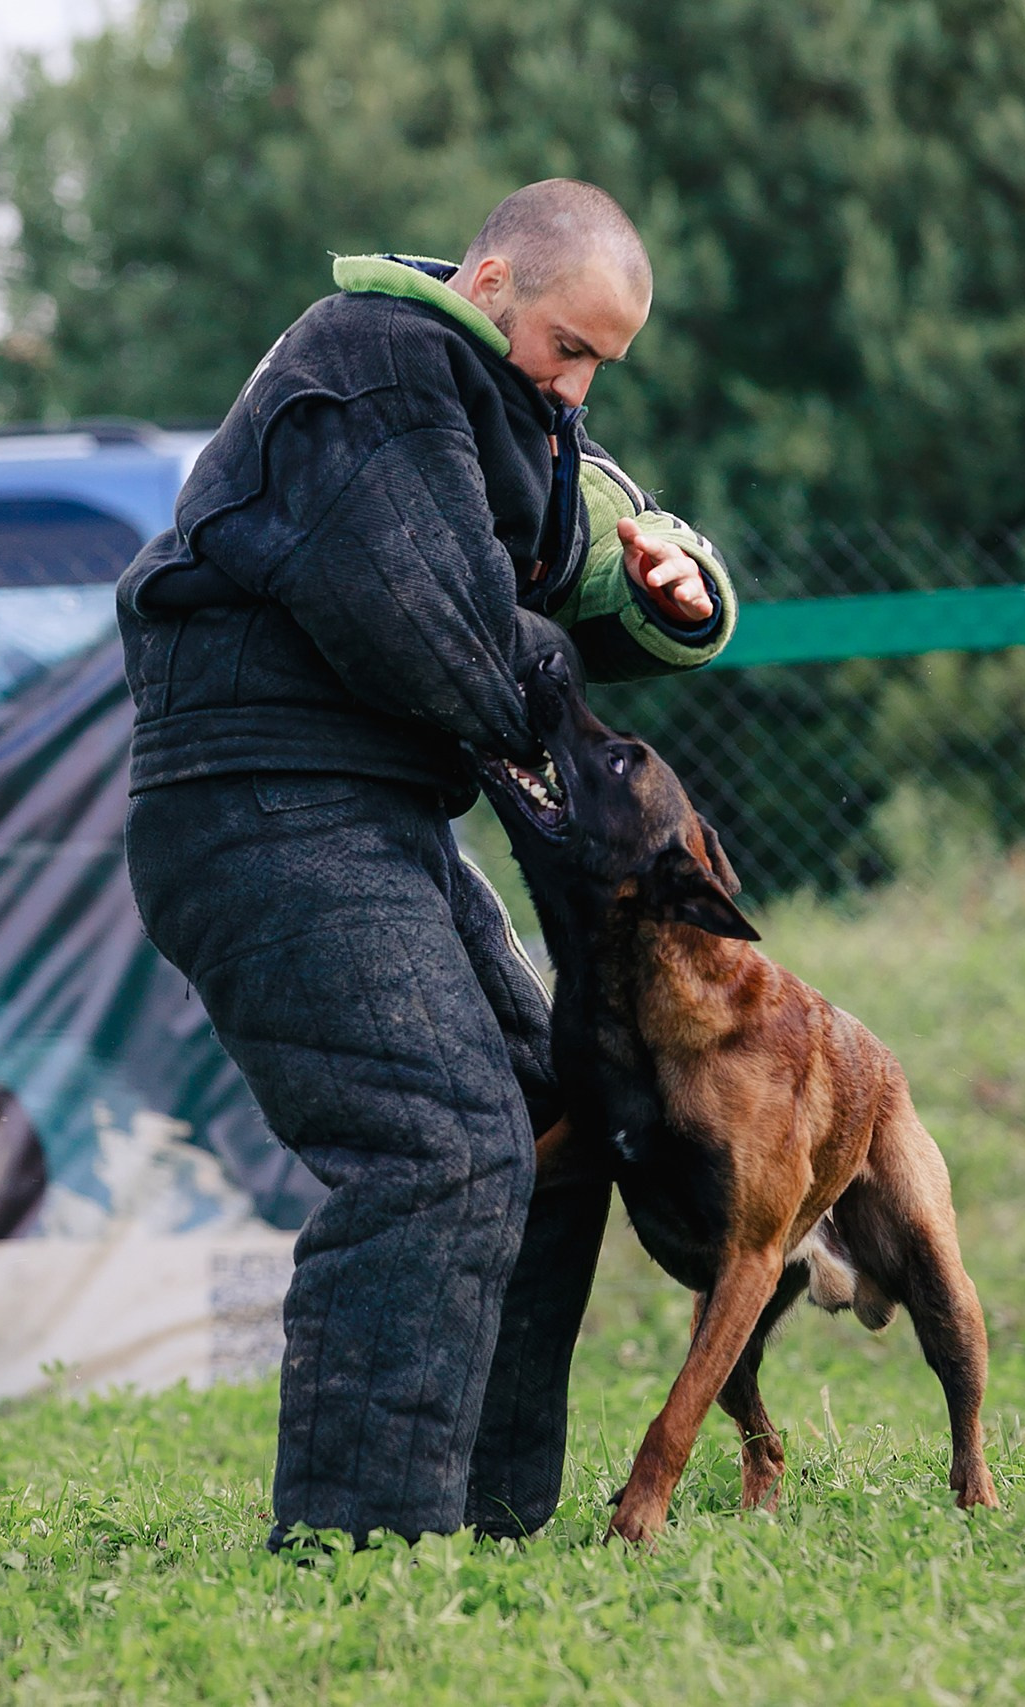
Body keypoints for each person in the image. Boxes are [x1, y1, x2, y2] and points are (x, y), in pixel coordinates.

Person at [117, 180, 738, 1548]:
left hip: (370, 812)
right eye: (569, 348)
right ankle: (361, 1547)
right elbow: (436, 624)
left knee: (548, 1123)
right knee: (440, 1145)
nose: (577, 389)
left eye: (599, 368)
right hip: (259, 805)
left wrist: (670, 585)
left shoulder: (499, 406)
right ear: (496, 279)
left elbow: (582, 550)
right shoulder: (379, 367)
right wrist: (569, 705)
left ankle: (489, 1522)